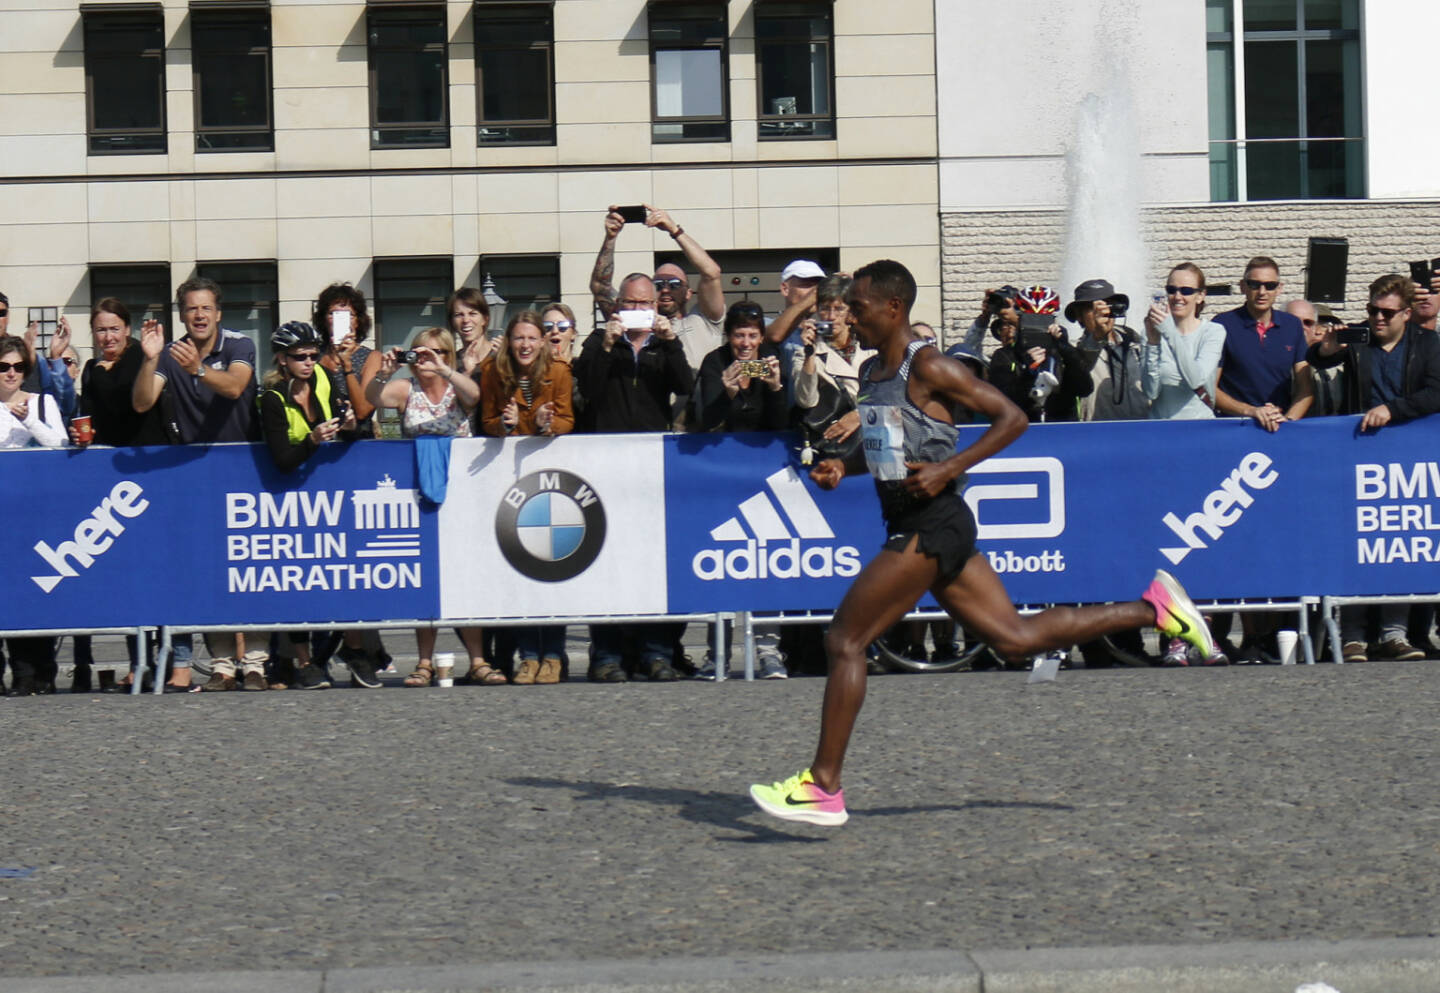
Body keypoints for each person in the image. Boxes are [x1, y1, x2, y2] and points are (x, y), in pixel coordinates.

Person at [747, 260, 1214, 827]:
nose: (851, 314)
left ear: (894, 308)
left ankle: (823, 787)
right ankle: (1155, 611)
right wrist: (840, 469)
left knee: (846, 639)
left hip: (931, 522)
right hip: (925, 518)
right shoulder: (873, 371)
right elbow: (888, 452)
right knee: (1015, 640)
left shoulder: (932, 365)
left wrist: (951, 470)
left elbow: (1011, 418)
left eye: (861, 306)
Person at [132, 277, 261, 690]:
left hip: (244, 469)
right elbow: (141, 402)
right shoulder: (173, 354)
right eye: (191, 309)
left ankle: (256, 662)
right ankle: (222, 664)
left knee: (250, 569)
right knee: (210, 570)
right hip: (196, 475)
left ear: (218, 313)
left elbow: (236, 386)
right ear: (182, 315)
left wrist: (199, 370)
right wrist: (151, 359)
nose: (200, 315)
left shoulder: (239, 345)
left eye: (206, 308)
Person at [1307, 274, 1440, 663]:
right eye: (1372, 310)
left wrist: (1392, 410)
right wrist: (1327, 348)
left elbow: (1436, 392)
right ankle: (1353, 635)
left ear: (1406, 312)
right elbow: (1317, 360)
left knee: (1396, 540)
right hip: (1359, 453)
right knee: (1358, 541)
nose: (1377, 319)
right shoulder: (1359, 338)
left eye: (1386, 312)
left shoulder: (1428, 343)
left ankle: (1394, 634)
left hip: (1407, 458)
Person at [366, 329, 503, 686]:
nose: (427, 358)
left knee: (465, 579)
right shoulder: (406, 389)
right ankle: (424, 662)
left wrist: (445, 370)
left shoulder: (457, 383)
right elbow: (372, 399)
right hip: (421, 493)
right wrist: (385, 371)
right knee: (425, 580)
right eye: (420, 352)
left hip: (463, 493)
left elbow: (476, 396)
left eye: (437, 351)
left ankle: (477, 659)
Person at [573, 274, 691, 681]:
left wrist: (672, 342)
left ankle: (656, 652)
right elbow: (586, 387)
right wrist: (607, 345)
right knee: (605, 561)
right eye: (629, 302)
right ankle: (606, 654)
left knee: (651, 559)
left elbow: (685, 385)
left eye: (644, 303)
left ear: (655, 306)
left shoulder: (663, 342)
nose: (637, 310)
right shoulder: (596, 341)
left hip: (650, 466)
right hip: (604, 464)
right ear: (616, 304)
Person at [256, 321, 363, 688]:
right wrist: (314, 440)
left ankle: (353, 649)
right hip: (290, 497)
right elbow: (282, 459)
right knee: (298, 582)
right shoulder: (271, 398)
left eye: (313, 355)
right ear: (282, 360)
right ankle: (304, 663)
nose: (308, 362)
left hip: (328, 495)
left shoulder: (322, 378)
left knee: (341, 576)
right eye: (299, 357)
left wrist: (349, 424)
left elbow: (350, 430)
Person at [478, 310, 576, 685]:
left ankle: (552, 655)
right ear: (509, 341)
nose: (525, 345)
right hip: (510, 480)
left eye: (532, 338)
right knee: (520, 570)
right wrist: (505, 425)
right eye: (519, 338)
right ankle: (527, 655)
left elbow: (568, 419)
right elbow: (485, 422)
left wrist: (545, 425)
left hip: (550, 477)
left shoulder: (560, 372)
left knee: (553, 568)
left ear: (542, 341)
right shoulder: (492, 373)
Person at [0, 334, 66, 695]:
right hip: (3, 513)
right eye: (4, 367)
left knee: (38, 592)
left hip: (38, 513)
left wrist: (30, 423)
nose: (12, 374)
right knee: (5, 595)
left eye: (18, 367)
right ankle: (18, 671)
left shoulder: (42, 403)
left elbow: (60, 446)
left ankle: (42, 669)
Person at [589, 204, 725, 378]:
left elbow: (712, 273)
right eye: (659, 285)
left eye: (675, 284)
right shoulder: (635, 321)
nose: (666, 290)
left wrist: (674, 230)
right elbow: (600, 287)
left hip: (696, 404)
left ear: (689, 292)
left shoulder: (703, 320)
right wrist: (610, 238)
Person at [1213, 256, 1313, 431]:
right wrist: (1251, 411)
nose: (1262, 291)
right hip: (1234, 427)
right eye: (1254, 284)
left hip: (1279, 428)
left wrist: (1287, 421)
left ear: (1279, 288)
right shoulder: (1222, 325)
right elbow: (1210, 388)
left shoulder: (1293, 326)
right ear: (1242, 286)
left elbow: (1305, 389)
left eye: (1270, 285)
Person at [1141, 263, 1226, 421]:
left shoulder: (1213, 331)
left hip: (1200, 427)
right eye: (1172, 290)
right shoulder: (1152, 331)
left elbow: (1196, 379)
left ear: (1200, 296)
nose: (1177, 297)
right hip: (1161, 428)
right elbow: (1150, 392)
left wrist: (1170, 332)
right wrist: (1153, 344)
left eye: (1186, 291)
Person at [1068, 278, 1150, 421]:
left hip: (1142, 432)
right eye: (1093, 308)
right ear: (1079, 316)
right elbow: (1080, 369)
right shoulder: (1071, 350)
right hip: (1098, 435)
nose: (1103, 311)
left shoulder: (1136, 345)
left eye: (1108, 304)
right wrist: (1097, 338)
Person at [313, 283, 381, 437]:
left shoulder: (371, 357)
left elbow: (363, 411)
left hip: (357, 443)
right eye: (333, 314)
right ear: (324, 319)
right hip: (320, 439)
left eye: (348, 315)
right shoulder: (312, 355)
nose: (341, 321)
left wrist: (347, 365)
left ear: (357, 321)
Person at [449, 286, 495, 379]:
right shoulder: (450, 364)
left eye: (472, 314)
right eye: (459, 315)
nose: (466, 320)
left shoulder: (500, 357)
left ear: (485, 319)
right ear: (452, 322)